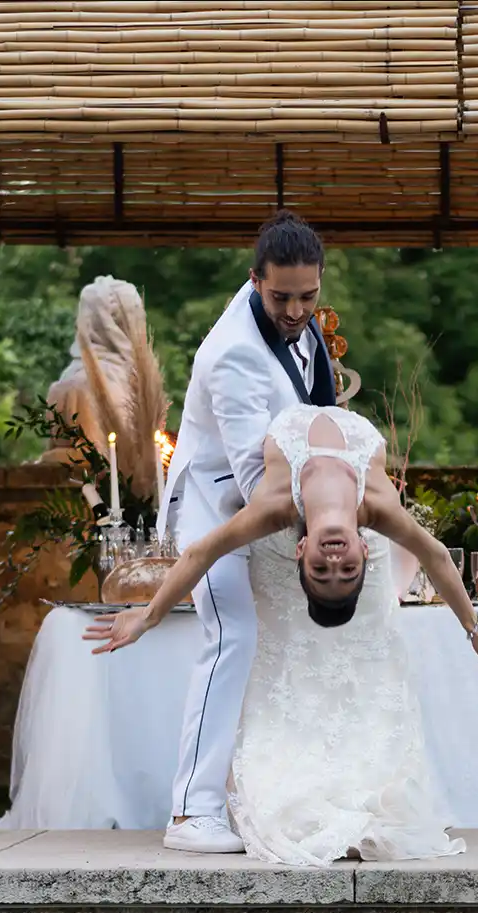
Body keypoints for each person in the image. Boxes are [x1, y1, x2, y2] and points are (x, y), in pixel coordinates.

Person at [87, 406, 478, 865]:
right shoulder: (377, 509)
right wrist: (473, 628)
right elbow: (435, 556)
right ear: (365, 549)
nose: (334, 561)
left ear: (301, 549)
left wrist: (146, 618)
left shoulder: (278, 508)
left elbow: (201, 553)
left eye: (323, 571)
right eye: (346, 570)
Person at [151, 210, 338, 854]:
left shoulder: (304, 327)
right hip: (213, 503)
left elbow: (319, 419)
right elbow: (257, 474)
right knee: (234, 633)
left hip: (274, 503)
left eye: (308, 296)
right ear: (254, 280)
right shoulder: (231, 354)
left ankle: (270, 798)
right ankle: (190, 813)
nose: (294, 310)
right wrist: (331, 514)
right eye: (281, 296)